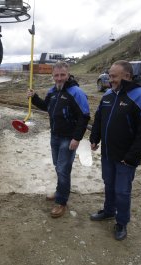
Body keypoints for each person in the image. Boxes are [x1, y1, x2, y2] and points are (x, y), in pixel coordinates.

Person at [89, 60, 141, 241]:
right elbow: (99, 119)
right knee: (108, 184)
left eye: (113, 76)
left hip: (126, 157)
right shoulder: (108, 95)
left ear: (127, 76)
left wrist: (132, 157)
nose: (109, 80)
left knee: (122, 191)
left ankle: (121, 222)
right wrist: (94, 138)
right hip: (107, 153)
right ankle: (109, 211)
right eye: (109, 75)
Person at [27, 61, 90, 218]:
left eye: (62, 75)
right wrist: (34, 97)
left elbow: (84, 117)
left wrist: (77, 138)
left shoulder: (76, 93)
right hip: (54, 136)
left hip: (68, 139)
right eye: (56, 75)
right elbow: (45, 106)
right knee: (58, 166)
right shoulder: (52, 91)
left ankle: (61, 201)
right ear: (52, 76)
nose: (59, 78)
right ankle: (60, 190)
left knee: (63, 169)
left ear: (68, 75)